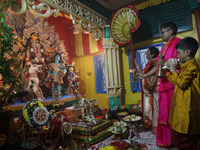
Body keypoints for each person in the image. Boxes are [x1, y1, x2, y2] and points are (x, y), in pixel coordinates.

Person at [140, 22, 181, 147]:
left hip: (173, 84)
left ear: (170, 32)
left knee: (172, 114)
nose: (161, 34)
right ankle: (166, 141)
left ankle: (176, 143)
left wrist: (166, 64)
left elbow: (182, 62)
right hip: (163, 84)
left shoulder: (179, 43)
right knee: (163, 114)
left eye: (163, 32)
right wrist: (144, 75)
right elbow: (159, 64)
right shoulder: (164, 47)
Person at [165, 37, 200, 150]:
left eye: (179, 53)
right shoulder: (185, 66)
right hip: (181, 104)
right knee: (178, 132)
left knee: (185, 135)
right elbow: (176, 82)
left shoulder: (192, 66)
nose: (177, 56)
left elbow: (182, 84)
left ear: (188, 52)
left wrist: (174, 69)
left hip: (188, 107)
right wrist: (168, 70)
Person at [135, 47, 159, 134]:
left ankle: (155, 128)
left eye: (147, 52)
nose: (145, 53)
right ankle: (150, 126)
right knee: (149, 108)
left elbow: (153, 74)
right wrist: (136, 63)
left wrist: (145, 77)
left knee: (154, 109)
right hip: (147, 91)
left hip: (152, 90)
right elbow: (143, 74)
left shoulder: (154, 63)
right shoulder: (149, 64)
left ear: (152, 54)